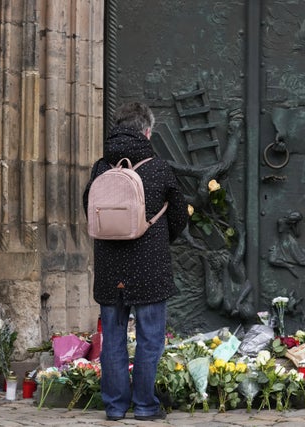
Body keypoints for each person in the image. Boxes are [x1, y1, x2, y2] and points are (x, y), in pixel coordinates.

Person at [83, 102, 188, 421]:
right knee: (150, 338)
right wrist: (155, 239)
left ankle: (115, 407)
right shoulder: (158, 168)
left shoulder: (101, 167)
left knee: (113, 338)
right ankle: (144, 405)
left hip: (109, 268)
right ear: (147, 131)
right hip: (149, 267)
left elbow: (87, 208)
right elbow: (180, 216)